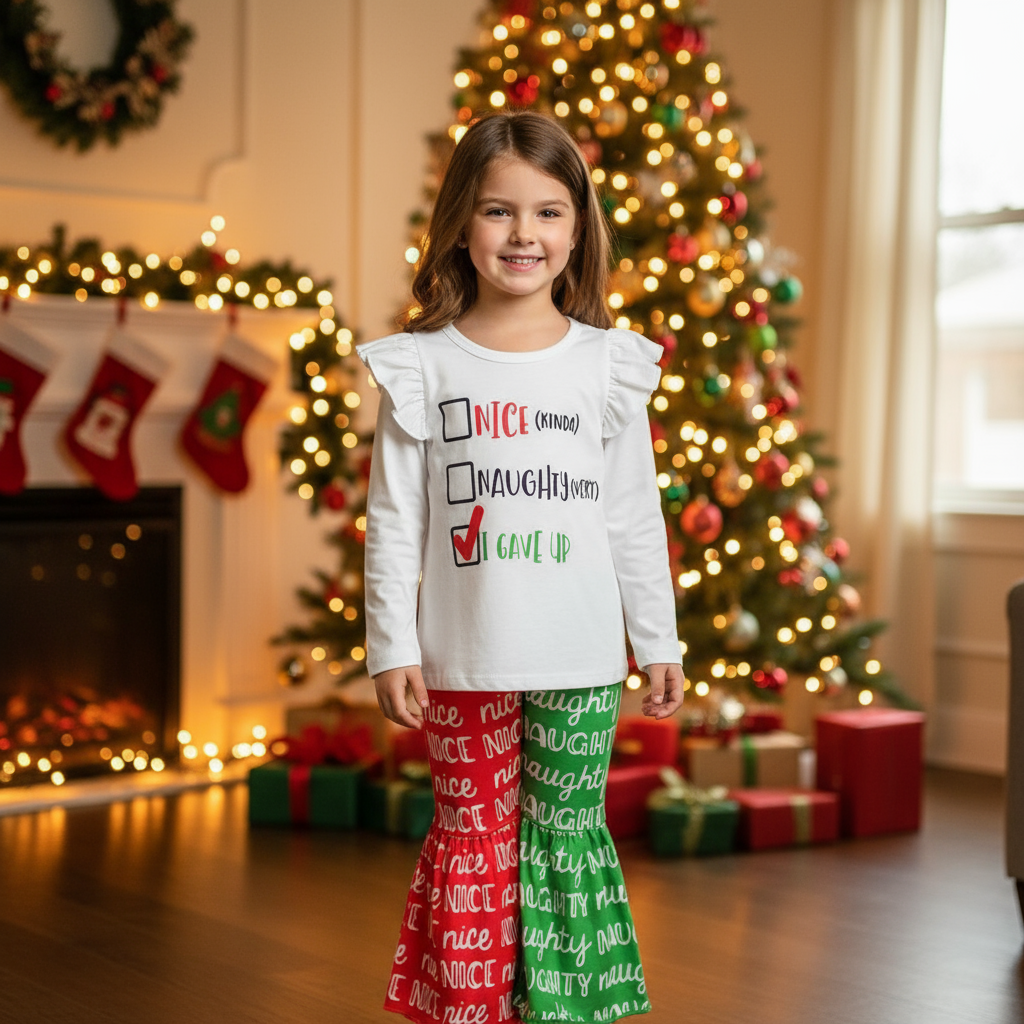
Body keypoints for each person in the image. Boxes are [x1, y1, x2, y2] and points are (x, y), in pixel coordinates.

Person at [357, 109, 684, 1024]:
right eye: (499, 212)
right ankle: (471, 1011)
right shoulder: (420, 367)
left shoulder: (608, 367)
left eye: (547, 213)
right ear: (462, 222)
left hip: (581, 658)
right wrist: (391, 646)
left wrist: (656, 639)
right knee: (474, 841)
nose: (523, 235)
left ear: (577, 228)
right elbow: (393, 520)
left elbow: (631, 515)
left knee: (565, 838)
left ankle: (566, 1011)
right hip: (462, 659)